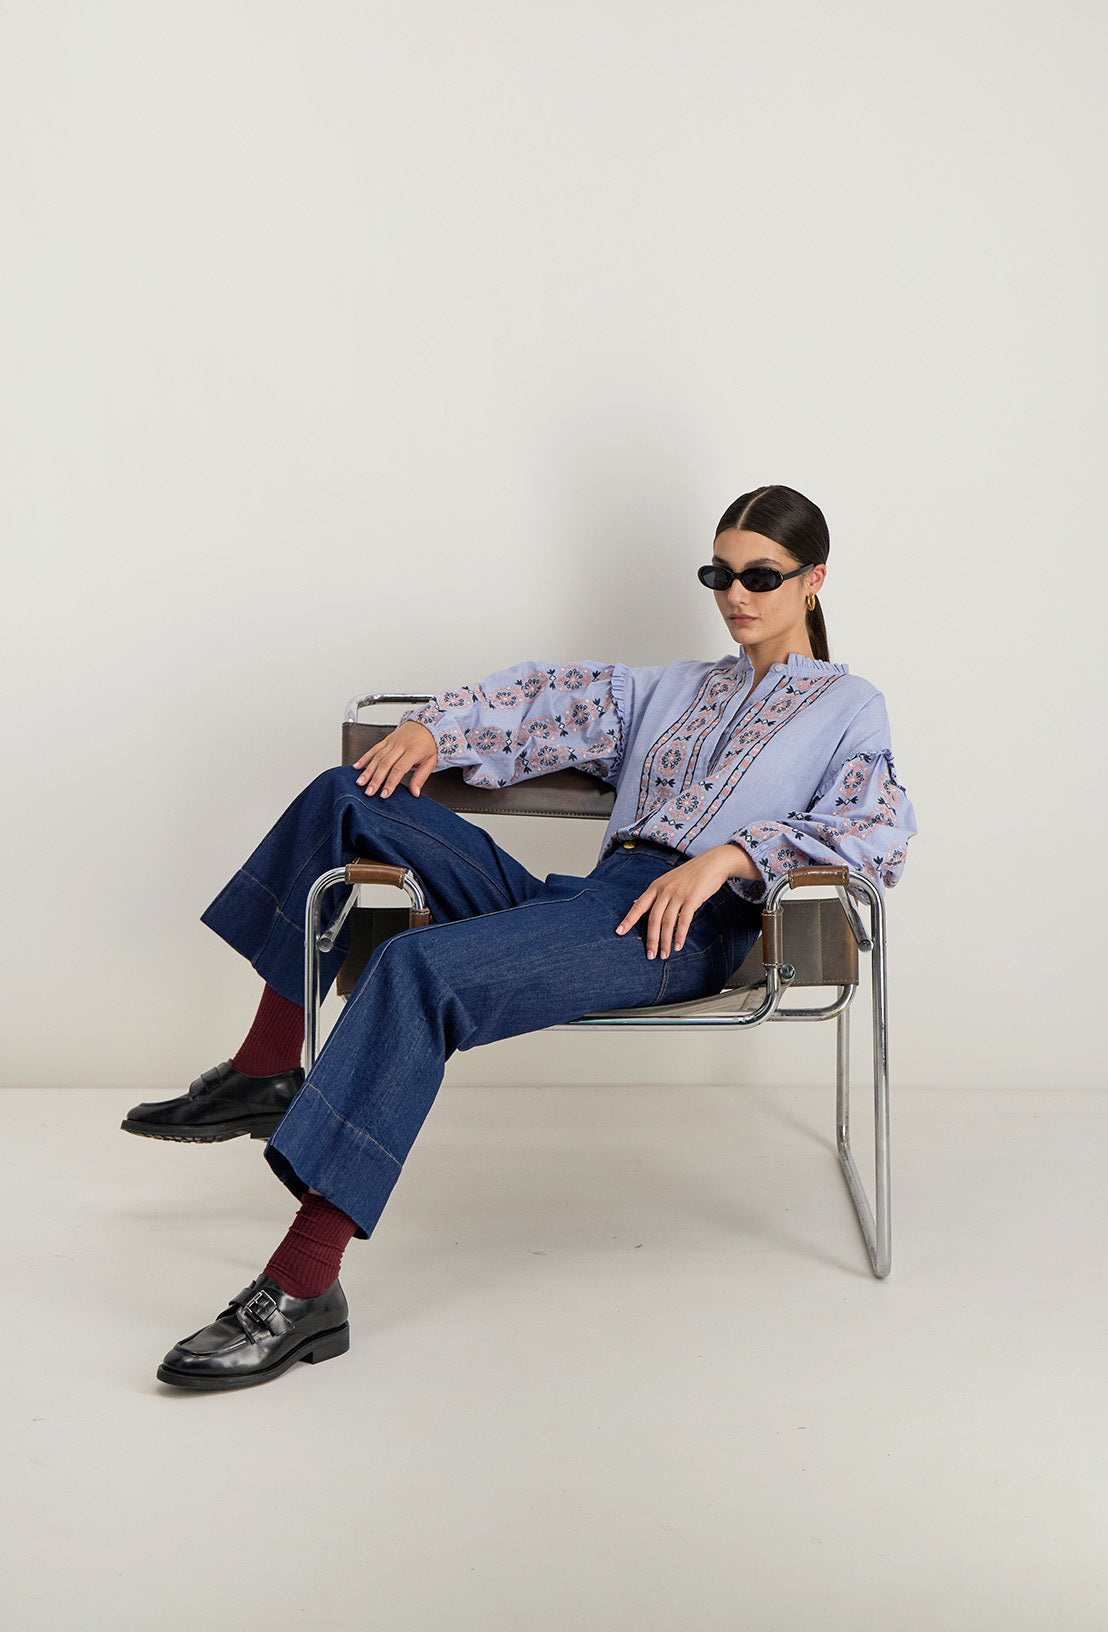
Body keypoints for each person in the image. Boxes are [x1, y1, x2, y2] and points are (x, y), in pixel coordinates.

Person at [125, 484, 917, 1391]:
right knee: (346, 794)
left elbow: (878, 830)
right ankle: (267, 1068)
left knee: (417, 967)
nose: (736, 595)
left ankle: (304, 1286)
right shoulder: (678, 688)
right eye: (719, 575)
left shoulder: (848, 706)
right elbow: (548, 700)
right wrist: (434, 727)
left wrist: (730, 858)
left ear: (814, 579)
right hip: (587, 902)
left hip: (679, 930)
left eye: (761, 577)